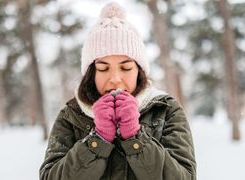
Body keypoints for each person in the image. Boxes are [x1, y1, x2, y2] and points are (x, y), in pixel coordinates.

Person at [40, 2, 196, 180]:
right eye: (103, 69)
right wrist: (97, 141)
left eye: (126, 68)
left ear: (139, 70)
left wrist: (135, 137)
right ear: (91, 73)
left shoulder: (165, 110)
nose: (114, 78)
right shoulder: (71, 115)